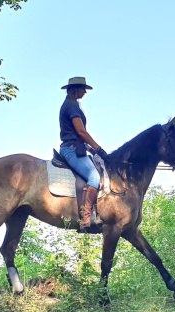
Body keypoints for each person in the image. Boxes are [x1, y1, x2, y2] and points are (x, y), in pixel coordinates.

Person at [58, 76, 108, 228]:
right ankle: (86, 217)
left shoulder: (71, 104)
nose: (85, 93)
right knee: (94, 177)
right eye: (83, 89)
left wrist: (92, 149)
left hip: (77, 147)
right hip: (71, 149)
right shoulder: (72, 106)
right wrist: (99, 148)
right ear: (75, 89)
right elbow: (81, 132)